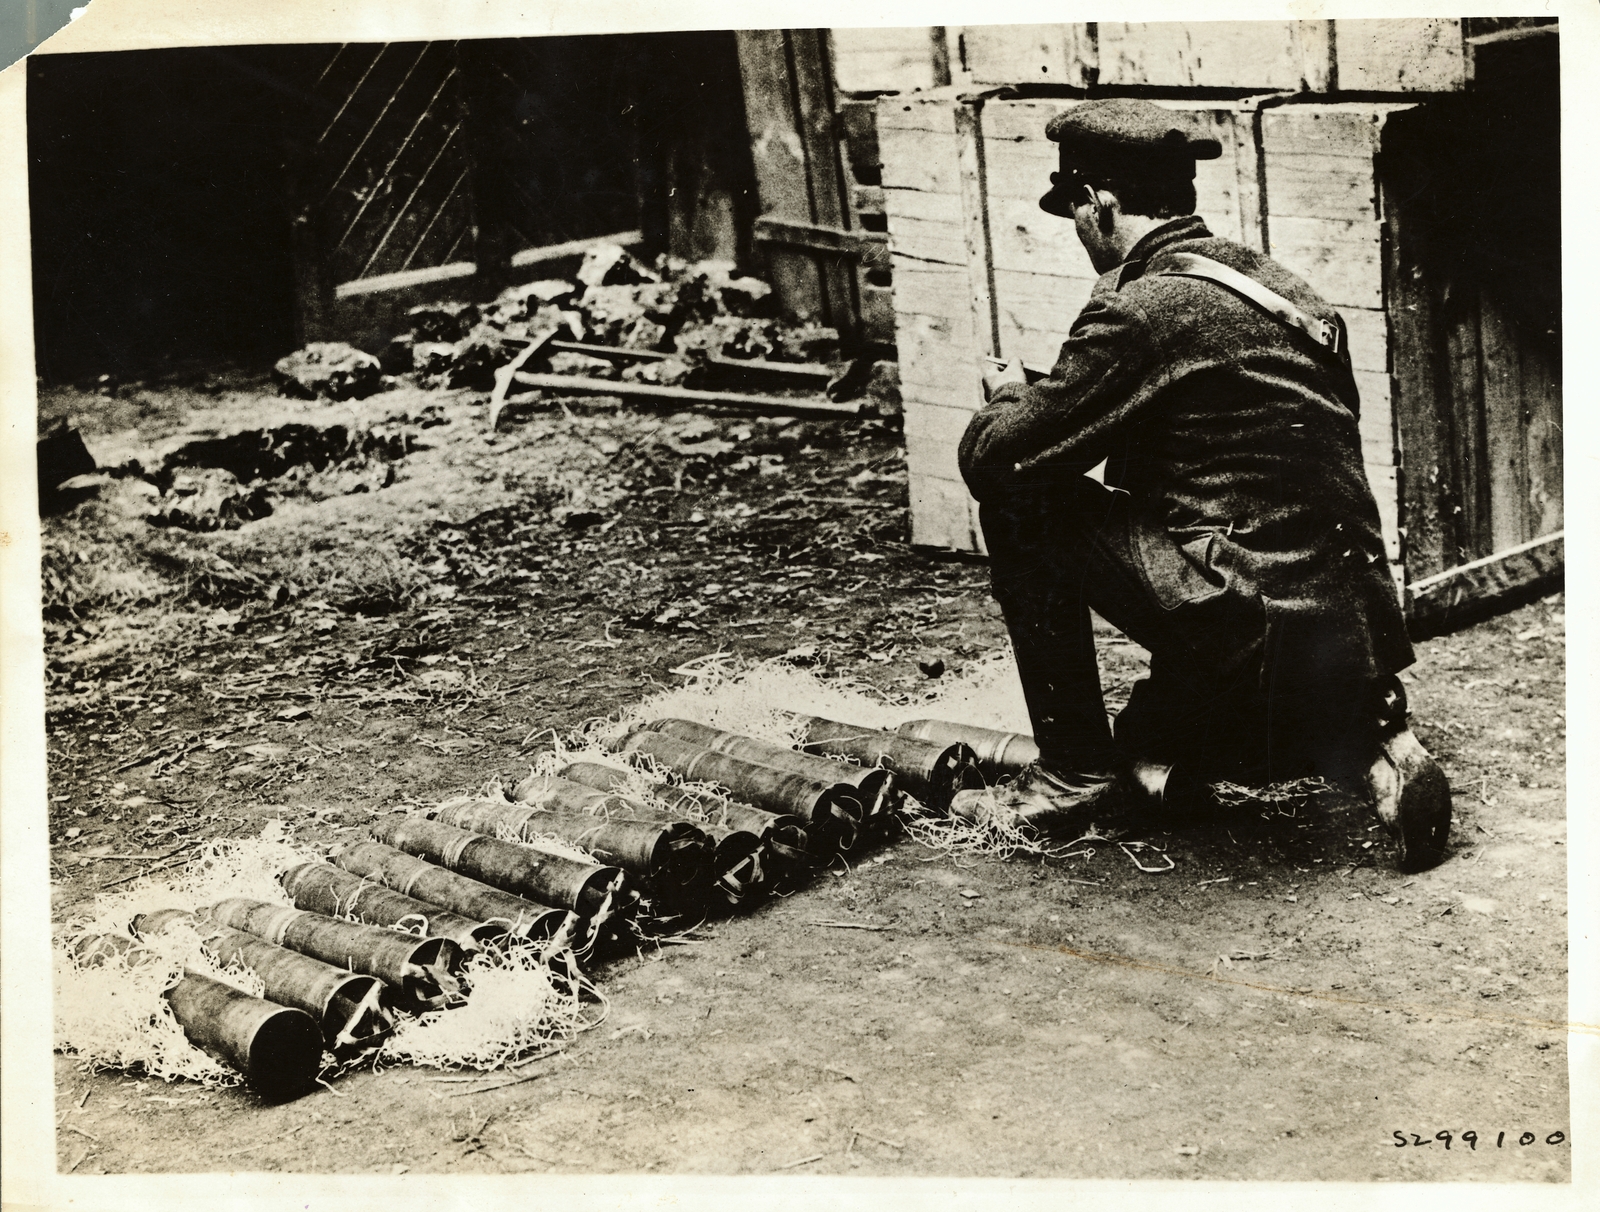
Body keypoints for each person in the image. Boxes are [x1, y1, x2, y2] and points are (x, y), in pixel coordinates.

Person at [952, 98, 1451, 872]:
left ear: (1101, 203)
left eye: (1075, 209)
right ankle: (1366, 726)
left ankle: (1074, 776)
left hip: (1248, 617)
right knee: (1159, 751)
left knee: (1020, 502)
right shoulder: (1278, 286)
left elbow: (995, 456)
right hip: (1352, 622)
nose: (1080, 230)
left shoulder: (1141, 308)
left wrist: (1016, 399)